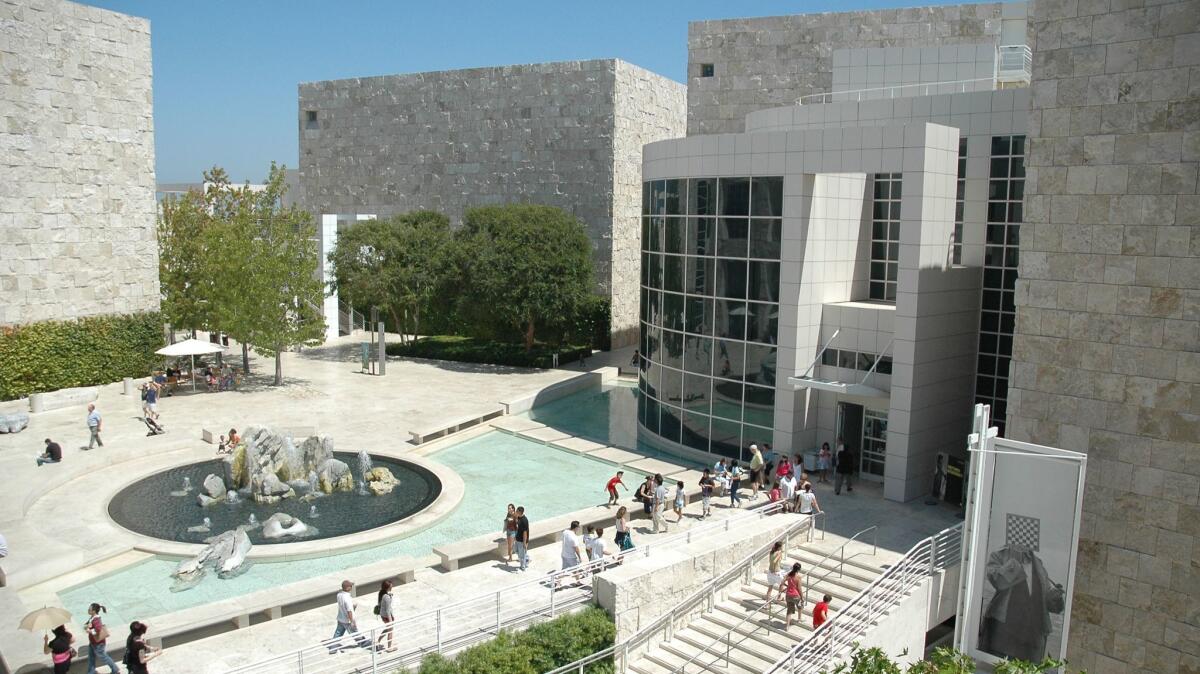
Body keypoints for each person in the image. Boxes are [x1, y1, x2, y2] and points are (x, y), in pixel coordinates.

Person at [328, 580, 370, 652]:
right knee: (355, 632)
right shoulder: (347, 598)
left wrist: (352, 606)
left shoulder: (339, 595)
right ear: (347, 588)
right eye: (350, 586)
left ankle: (333, 648)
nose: (351, 587)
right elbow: (349, 611)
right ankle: (362, 643)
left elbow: (343, 606)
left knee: (338, 633)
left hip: (340, 618)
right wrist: (352, 621)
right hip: (347, 620)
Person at [84, 603, 121, 674]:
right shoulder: (92, 618)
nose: (88, 610)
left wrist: (90, 631)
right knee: (91, 657)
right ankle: (91, 672)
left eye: (89, 609)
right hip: (93, 642)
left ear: (94, 611)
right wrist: (87, 626)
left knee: (104, 657)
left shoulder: (96, 619)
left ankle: (115, 670)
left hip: (98, 643)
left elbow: (98, 629)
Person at [779, 562, 805, 630]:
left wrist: (787, 586)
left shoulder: (789, 574)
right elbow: (799, 588)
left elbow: (782, 582)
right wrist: (802, 597)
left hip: (788, 595)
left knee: (789, 611)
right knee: (800, 606)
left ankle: (787, 626)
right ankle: (799, 619)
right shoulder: (798, 577)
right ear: (799, 569)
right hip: (796, 595)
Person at [375, 579, 395, 652]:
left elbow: (381, 604)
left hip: (383, 615)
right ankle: (389, 648)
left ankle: (378, 641)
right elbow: (388, 610)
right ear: (388, 587)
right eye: (391, 586)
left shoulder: (382, 593)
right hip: (387, 616)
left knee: (388, 629)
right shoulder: (386, 597)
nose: (392, 586)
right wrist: (390, 621)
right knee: (390, 630)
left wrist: (390, 596)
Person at [514, 506, 531, 571]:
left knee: (521, 555)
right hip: (517, 538)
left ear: (520, 512)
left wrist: (524, 542)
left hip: (522, 540)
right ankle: (526, 557)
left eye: (517, 511)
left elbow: (525, 532)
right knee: (515, 550)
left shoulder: (524, 520)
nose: (516, 512)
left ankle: (523, 566)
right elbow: (517, 525)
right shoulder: (518, 517)